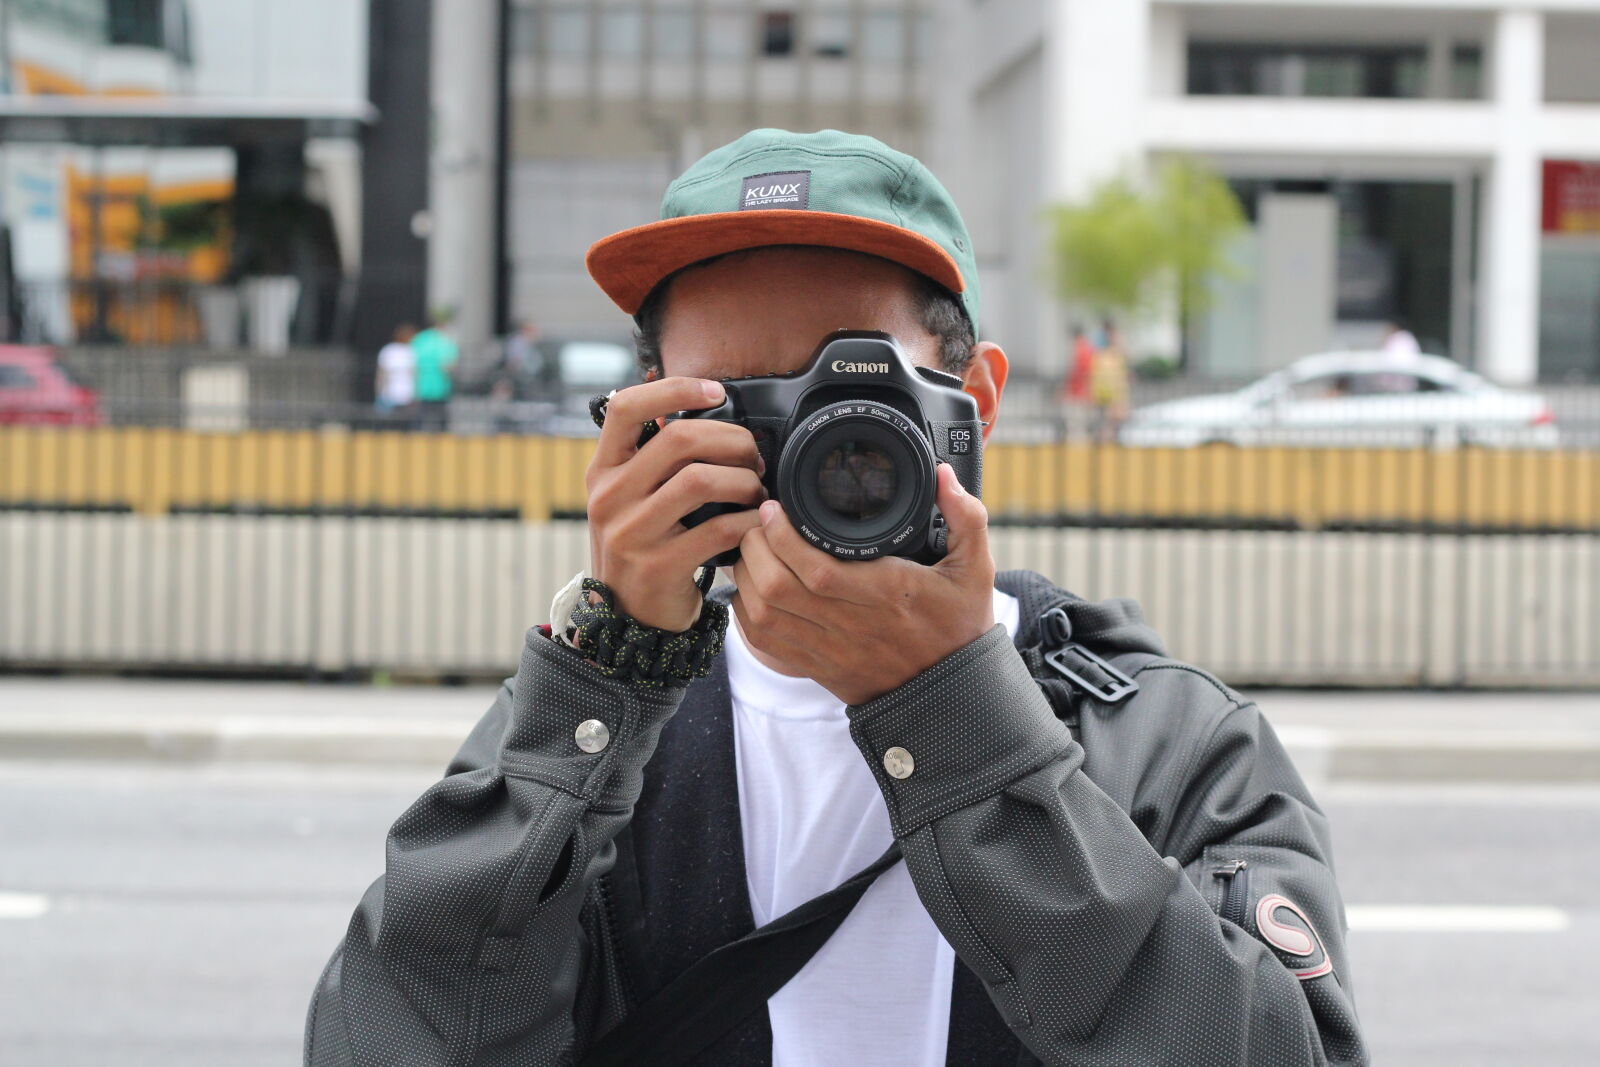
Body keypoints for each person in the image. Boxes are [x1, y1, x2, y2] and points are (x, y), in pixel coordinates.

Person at [305, 130, 1366, 1066]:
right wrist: (604, 665)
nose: (814, 449)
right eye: (738, 409)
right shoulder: (598, 739)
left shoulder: (1167, 740)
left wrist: (948, 710)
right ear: (641, 423)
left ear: (977, 401)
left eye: (853, 391)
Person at [411, 311, 459, 432]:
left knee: (420, 418)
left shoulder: (420, 339)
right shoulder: (446, 340)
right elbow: (450, 365)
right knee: (441, 420)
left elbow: (412, 363)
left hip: (422, 385)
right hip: (440, 386)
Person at [1089, 318, 1131, 443]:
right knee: (1109, 420)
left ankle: (1107, 438)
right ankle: (1104, 438)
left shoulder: (1110, 354)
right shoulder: (1104, 354)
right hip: (1107, 392)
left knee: (1113, 420)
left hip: (1112, 392)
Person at [373, 323, 417, 428]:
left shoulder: (410, 351)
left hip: (404, 394)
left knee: (401, 425)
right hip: (392, 394)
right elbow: (382, 374)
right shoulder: (391, 350)